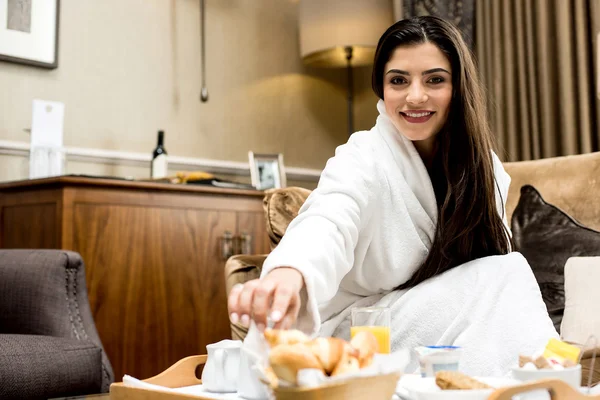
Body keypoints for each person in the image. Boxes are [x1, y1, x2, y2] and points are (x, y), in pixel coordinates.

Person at [228, 16, 557, 376]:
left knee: (503, 273)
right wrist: (288, 273)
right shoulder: (364, 156)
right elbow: (329, 218)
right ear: (381, 88)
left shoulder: (484, 170)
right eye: (398, 80)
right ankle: (543, 385)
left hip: (420, 327)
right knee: (505, 273)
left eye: (435, 79)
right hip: (356, 334)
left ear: (458, 87)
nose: (415, 96)